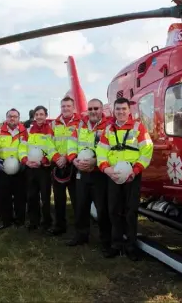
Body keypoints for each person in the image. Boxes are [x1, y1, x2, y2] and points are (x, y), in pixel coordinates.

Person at [96, 97, 154, 260]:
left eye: (124, 109)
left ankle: (131, 246)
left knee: (130, 211)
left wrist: (135, 171)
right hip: (112, 175)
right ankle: (116, 244)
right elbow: (101, 151)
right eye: (118, 109)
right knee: (113, 210)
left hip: (132, 176)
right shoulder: (108, 130)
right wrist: (106, 169)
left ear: (129, 111)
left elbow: (147, 151)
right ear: (113, 111)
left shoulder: (138, 128)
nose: (121, 112)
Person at [65, 99, 111, 256]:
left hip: (99, 173)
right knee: (81, 205)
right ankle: (81, 235)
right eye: (90, 108)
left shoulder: (109, 126)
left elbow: (112, 150)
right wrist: (74, 160)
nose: (93, 111)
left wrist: (96, 162)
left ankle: (106, 241)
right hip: (81, 172)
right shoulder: (79, 126)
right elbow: (71, 145)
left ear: (101, 109)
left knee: (102, 208)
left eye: (96, 108)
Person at [18, 105, 56, 231]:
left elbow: (52, 149)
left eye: (42, 114)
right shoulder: (28, 131)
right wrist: (26, 161)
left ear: (46, 116)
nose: (39, 117)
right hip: (30, 168)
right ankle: (33, 221)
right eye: (37, 114)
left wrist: (43, 161)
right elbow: (22, 148)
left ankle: (46, 222)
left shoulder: (50, 130)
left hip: (43, 168)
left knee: (45, 197)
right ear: (34, 116)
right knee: (31, 196)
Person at [49, 97, 80, 236]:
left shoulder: (81, 123)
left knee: (77, 198)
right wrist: (57, 158)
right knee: (58, 198)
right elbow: (48, 144)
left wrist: (67, 158)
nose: (65, 108)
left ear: (73, 107)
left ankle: (79, 227)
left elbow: (83, 143)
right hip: (58, 166)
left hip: (74, 164)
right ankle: (59, 225)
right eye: (63, 106)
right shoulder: (54, 124)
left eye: (68, 106)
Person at [0, 108, 28, 229]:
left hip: (20, 169)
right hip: (3, 168)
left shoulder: (25, 132)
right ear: (6, 118)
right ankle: (5, 220)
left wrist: (24, 163)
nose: (12, 118)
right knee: (3, 196)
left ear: (19, 119)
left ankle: (20, 221)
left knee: (20, 196)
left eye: (15, 116)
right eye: (10, 116)